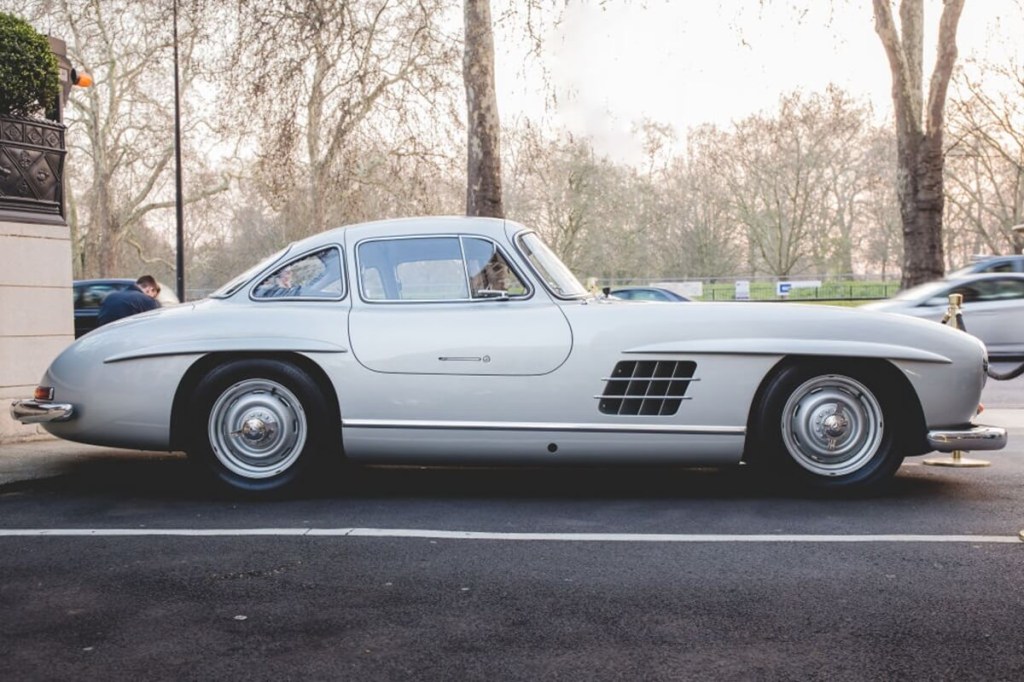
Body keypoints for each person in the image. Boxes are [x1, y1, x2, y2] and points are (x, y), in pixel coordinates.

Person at [96, 275, 162, 327]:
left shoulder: (110, 296)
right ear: (150, 289)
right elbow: (159, 318)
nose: (151, 298)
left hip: (105, 336)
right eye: (153, 296)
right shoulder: (145, 299)